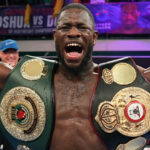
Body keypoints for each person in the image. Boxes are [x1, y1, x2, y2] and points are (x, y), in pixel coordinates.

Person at [0, 3, 150, 150]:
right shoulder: (21, 80)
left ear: (94, 37)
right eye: (65, 27)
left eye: (82, 27)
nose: (73, 33)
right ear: (55, 36)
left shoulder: (135, 81)